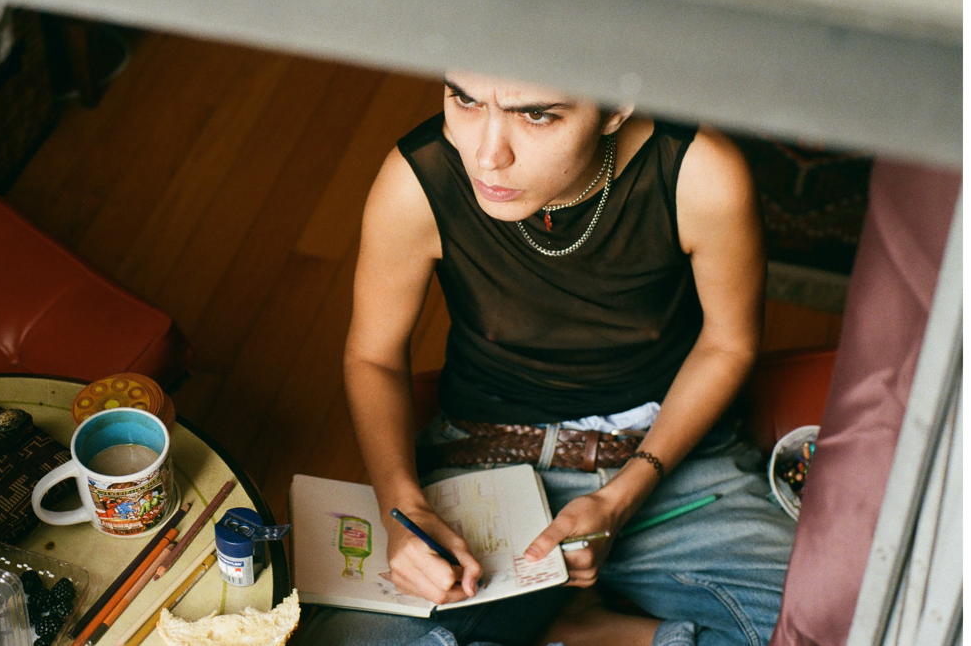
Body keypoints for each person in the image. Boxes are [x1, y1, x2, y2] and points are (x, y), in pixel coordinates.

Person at [297, 71, 797, 646]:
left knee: (853, 626)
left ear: (615, 109)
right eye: (464, 99)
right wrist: (402, 512)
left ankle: (596, 630)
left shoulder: (699, 172)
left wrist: (622, 495)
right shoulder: (418, 178)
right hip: (486, 465)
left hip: (669, 463)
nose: (486, 156)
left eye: (536, 115)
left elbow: (727, 343)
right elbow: (374, 357)